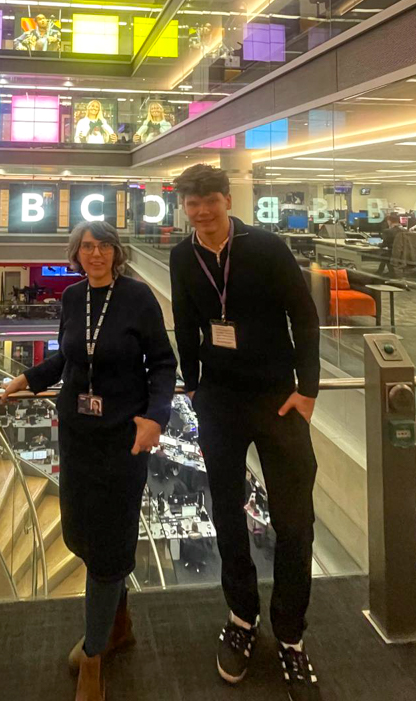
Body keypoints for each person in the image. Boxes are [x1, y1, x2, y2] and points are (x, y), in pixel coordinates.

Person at [1, 221, 176, 701]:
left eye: (103, 247)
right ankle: (119, 625)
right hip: (77, 437)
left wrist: (154, 417)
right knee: (79, 531)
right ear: (76, 254)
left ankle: (95, 653)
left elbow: (163, 363)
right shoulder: (74, 297)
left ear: (116, 253)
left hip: (124, 437)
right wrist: (28, 379)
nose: (94, 254)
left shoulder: (139, 298)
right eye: (86, 247)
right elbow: (69, 360)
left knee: (112, 542)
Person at [169, 164, 321, 701]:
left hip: (278, 399)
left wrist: (309, 389)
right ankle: (242, 615)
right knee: (228, 514)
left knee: (293, 519)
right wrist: (193, 383)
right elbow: (186, 321)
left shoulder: (266, 247)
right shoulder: (182, 255)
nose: (202, 210)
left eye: (210, 199)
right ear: (184, 207)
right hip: (220, 401)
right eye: (192, 202)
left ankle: (291, 634)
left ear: (227, 199)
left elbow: (303, 316)